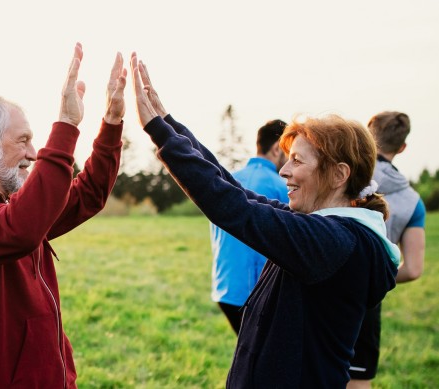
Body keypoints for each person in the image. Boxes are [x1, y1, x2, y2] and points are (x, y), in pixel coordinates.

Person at [130, 54, 399, 387]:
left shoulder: (333, 242)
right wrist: (168, 125)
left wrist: (157, 130)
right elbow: (237, 191)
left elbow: (233, 207)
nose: (284, 171)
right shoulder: (327, 230)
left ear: (338, 174)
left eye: (297, 161)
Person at [0, 43, 126, 387]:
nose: (33, 153)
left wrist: (112, 121)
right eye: (24, 140)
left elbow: (86, 194)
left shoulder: (12, 205)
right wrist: (65, 125)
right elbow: (20, 229)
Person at [347, 111, 426, 388]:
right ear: (402, 147)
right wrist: (374, 277)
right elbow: (414, 269)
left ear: (367, 136)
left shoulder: (344, 172)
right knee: (358, 379)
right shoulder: (412, 200)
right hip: (366, 300)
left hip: (319, 285)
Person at [210, 119, 289, 335]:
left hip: (225, 288)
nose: (291, 162)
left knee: (250, 354)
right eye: (290, 152)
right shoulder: (282, 187)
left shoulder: (227, 180)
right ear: (276, 149)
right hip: (257, 292)